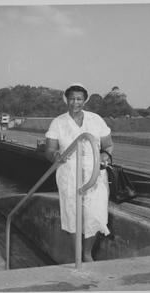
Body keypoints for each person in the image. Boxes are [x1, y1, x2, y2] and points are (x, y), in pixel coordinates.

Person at [45, 83, 114, 262]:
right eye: (72, 98)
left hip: (95, 176)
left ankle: (86, 253)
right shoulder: (58, 122)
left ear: (85, 100)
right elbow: (49, 150)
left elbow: (108, 145)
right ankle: (76, 253)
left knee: (95, 213)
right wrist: (56, 155)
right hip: (69, 176)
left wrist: (105, 156)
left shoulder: (96, 120)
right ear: (66, 99)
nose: (75, 102)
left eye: (79, 99)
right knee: (72, 214)